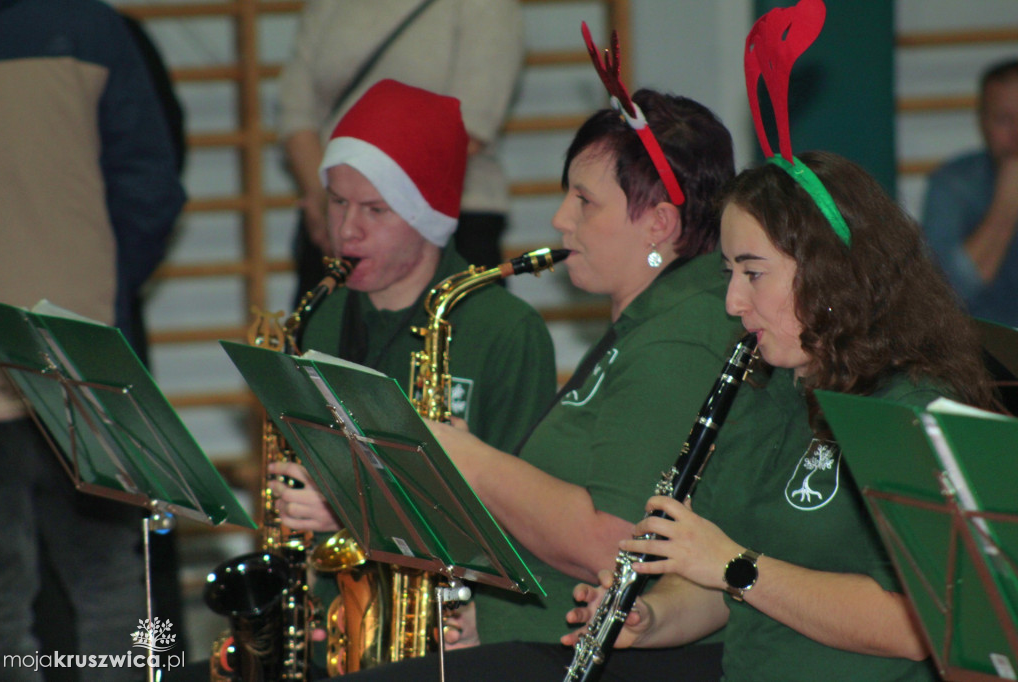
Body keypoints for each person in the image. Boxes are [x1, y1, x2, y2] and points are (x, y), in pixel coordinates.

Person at [289, 77, 744, 679]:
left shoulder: (678, 336)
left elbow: (613, 542)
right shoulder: (651, 322)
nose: (560, 219)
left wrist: (465, 459)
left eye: (584, 202)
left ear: (658, 222)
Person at [564, 150, 998, 682]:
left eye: (753, 272)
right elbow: (723, 589)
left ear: (829, 273)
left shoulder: (908, 410)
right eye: (730, 273)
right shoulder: (762, 394)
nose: (732, 301)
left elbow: (918, 626)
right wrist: (652, 617)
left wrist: (735, 566)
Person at [260, 77, 557, 677]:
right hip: (339, 627)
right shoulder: (320, 318)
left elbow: (529, 524)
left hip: (452, 637)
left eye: (374, 210)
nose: (346, 232)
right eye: (337, 202)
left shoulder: (504, 330)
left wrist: (349, 506)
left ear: (428, 216)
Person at [0, 0, 186, 680]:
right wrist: (98, 292)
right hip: (79, 354)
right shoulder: (94, 29)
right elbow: (150, 186)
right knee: (110, 584)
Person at [277, 0, 524, 304]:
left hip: (451, 224)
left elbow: (470, 125)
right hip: (333, 217)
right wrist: (328, 198)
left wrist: (371, 202)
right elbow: (296, 111)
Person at [922, 57, 1018, 328]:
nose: (1017, 134)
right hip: (984, 356)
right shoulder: (954, 184)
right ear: (983, 124)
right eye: (1003, 119)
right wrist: (1005, 209)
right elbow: (939, 298)